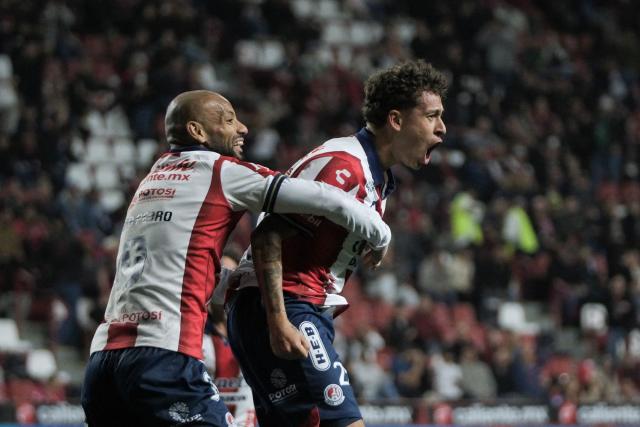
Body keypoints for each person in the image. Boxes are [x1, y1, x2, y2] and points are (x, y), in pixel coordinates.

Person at [80, 90, 393, 427]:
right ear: (198, 132)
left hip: (103, 362)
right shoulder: (218, 170)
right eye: (228, 119)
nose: (242, 127)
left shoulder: (152, 178)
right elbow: (327, 199)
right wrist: (381, 234)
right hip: (163, 354)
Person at [226, 60, 447, 426]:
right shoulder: (344, 167)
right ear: (396, 120)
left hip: (292, 307)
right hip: (285, 306)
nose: (441, 129)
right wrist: (278, 320)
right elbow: (267, 235)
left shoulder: (378, 179)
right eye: (431, 116)